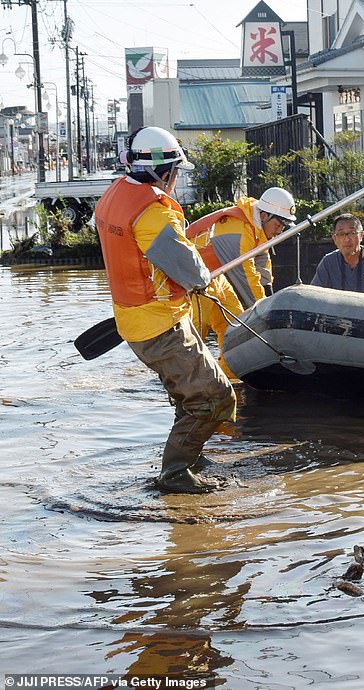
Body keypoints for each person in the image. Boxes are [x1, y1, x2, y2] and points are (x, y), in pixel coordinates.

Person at [93, 126, 236, 493]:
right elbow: (190, 271)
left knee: (187, 394)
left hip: (135, 321)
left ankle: (192, 452)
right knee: (216, 398)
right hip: (161, 326)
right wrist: (203, 277)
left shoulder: (114, 196)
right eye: (175, 173)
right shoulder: (153, 215)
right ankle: (175, 472)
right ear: (164, 172)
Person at [186, 187, 296, 377]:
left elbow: (262, 259)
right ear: (264, 216)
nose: (280, 231)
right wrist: (265, 312)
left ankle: (228, 375)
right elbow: (246, 276)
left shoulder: (256, 224)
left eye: (283, 227)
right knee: (195, 332)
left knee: (235, 325)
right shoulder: (236, 231)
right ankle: (185, 379)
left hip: (215, 277)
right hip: (192, 281)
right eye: (279, 225)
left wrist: (269, 293)